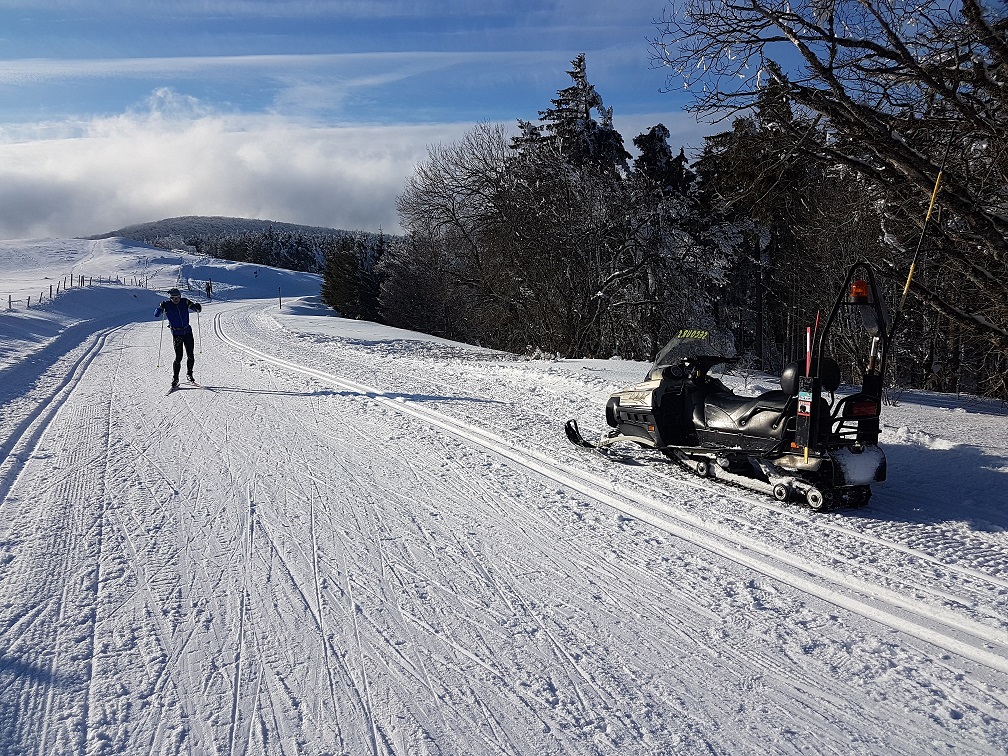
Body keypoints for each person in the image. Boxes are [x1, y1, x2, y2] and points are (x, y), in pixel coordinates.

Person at [156, 287, 202, 388]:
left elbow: (195, 308)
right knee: (178, 356)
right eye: (173, 298)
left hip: (187, 332)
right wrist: (160, 307)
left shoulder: (185, 301)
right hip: (177, 334)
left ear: (180, 296)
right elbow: (156, 315)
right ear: (170, 298)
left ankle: (189, 374)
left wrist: (197, 307)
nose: (176, 299)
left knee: (190, 355)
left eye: (177, 297)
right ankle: (175, 378)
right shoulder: (167, 305)